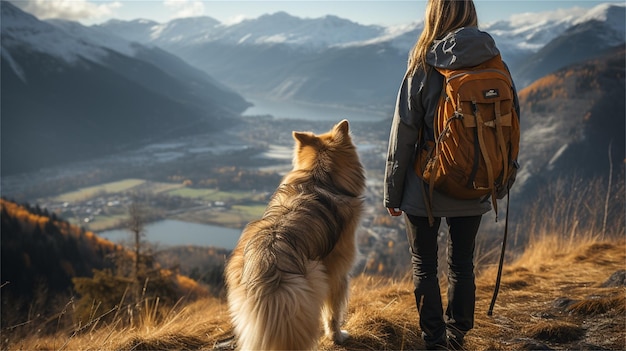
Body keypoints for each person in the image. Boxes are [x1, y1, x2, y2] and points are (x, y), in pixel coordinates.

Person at [383, 0, 519, 350]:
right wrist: (502, 180)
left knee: (424, 265)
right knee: (462, 263)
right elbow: (509, 126)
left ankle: (435, 341)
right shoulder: (495, 63)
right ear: (470, 14)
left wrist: (392, 193)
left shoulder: (423, 65)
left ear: (434, 15)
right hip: (475, 184)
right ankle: (457, 335)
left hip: (424, 187)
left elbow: (404, 136)